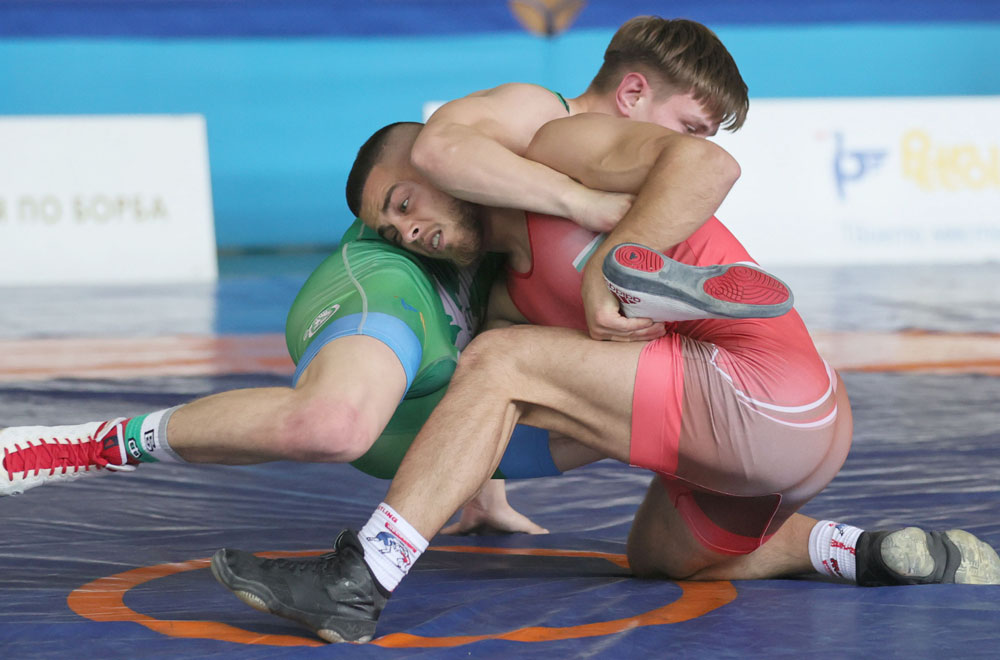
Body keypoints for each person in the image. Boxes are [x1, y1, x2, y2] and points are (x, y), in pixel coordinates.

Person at [210, 116, 1000, 644]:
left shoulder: (555, 152)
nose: (408, 230)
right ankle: (861, 550)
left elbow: (707, 160)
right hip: (782, 447)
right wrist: (478, 487)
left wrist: (609, 265)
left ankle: (360, 578)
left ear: (445, 161)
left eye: (404, 201)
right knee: (661, 556)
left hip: (767, 388)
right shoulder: (504, 299)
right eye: (392, 230)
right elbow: (518, 413)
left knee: (502, 361)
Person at [0, 17, 760, 534]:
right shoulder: (536, 116)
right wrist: (583, 202)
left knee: (657, 401)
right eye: (688, 127)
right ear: (633, 93)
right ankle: (88, 443)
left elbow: (514, 322)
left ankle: (779, 537)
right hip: (398, 291)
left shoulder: (559, 202)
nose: (408, 226)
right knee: (331, 425)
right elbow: (436, 151)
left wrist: (480, 488)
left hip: (447, 363)